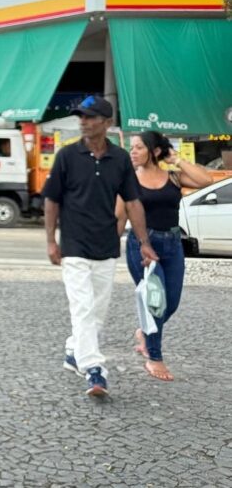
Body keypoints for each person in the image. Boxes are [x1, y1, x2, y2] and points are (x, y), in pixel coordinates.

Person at [42, 95, 157, 398]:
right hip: (74, 246)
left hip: (106, 245)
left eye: (90, 117)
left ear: (106, 123)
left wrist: (144, 242)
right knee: (82, 307)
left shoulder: (119, 159)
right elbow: (52, 200)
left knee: (97, 312)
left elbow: (132, 202)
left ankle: (72, 351)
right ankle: (95, 369)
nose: (83, 121)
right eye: (80, 116)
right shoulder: (67, 156)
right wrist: (51, 241)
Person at [115, 131, 211, 381]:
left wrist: (175, 159)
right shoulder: (128, 181)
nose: (133, 152)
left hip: (173, 244)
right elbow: (120, 215)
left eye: (138, 147)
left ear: (155, 151)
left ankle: (145, 331)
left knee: (172, 302)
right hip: (142, 245)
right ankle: (154, 357)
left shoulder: (173, 177)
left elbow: (206, 179)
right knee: (155, 302)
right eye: (131, 148)